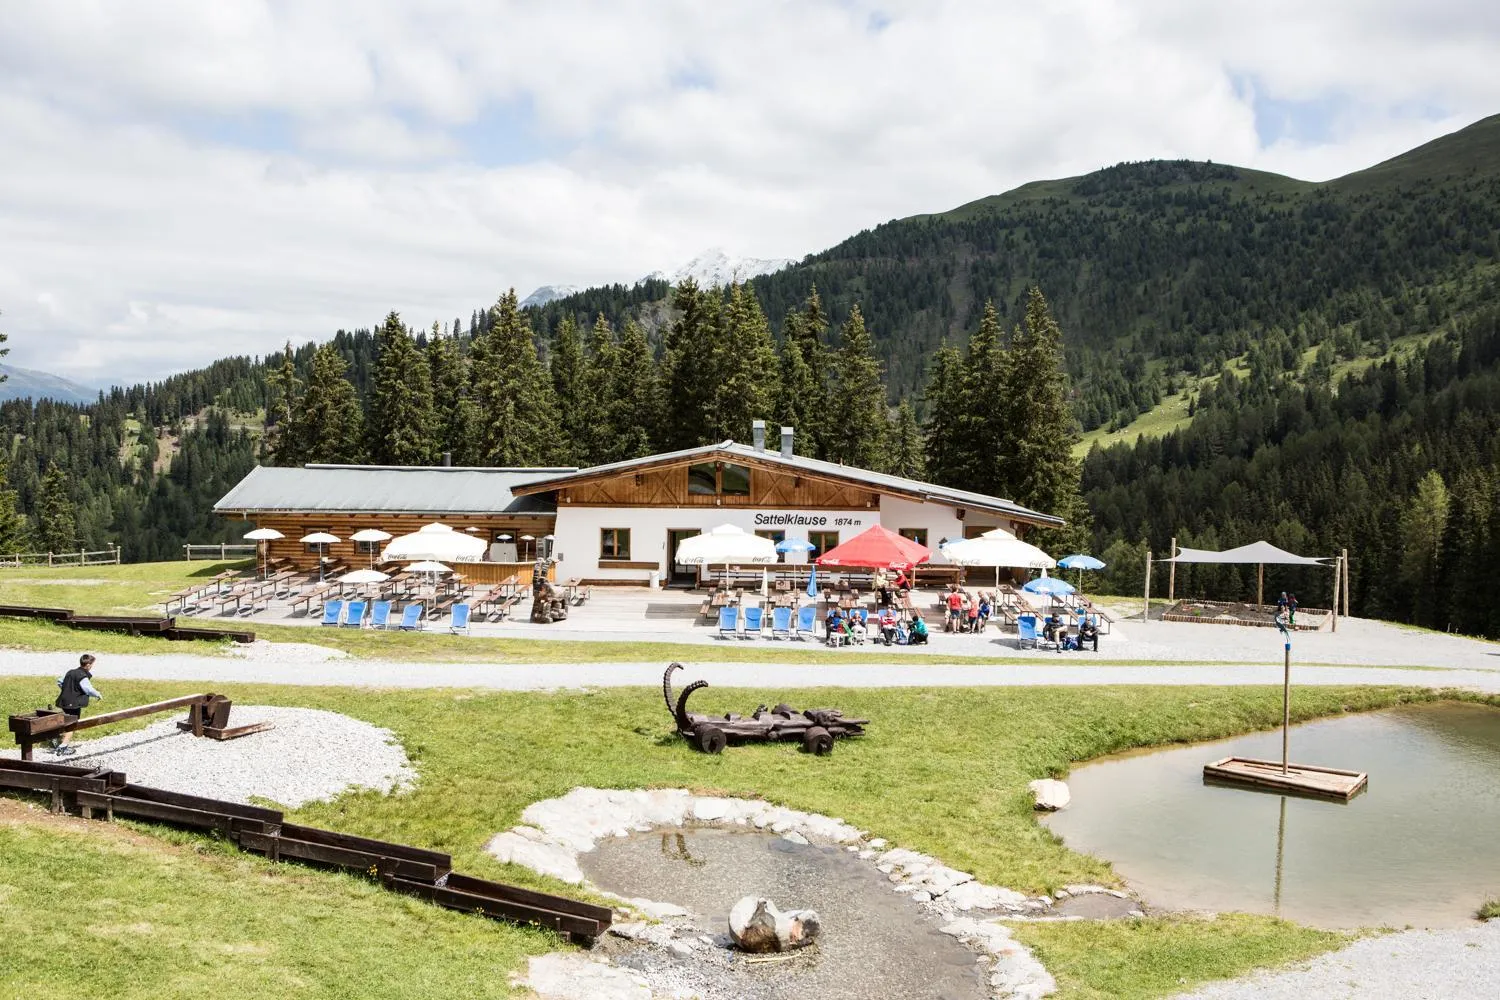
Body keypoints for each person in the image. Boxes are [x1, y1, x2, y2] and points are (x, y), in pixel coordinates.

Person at [51, 653, 103, 756]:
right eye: (92, 664)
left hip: (64, 701)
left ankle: (56, 738)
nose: (92, 666)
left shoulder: (71, 672)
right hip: (73, 703)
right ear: (88, 665)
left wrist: (67, 690)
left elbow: (60, 681)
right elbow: (88, 689)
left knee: (64, 720)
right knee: (72, 724)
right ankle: (63, 747)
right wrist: (98, 694)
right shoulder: (82, 676)